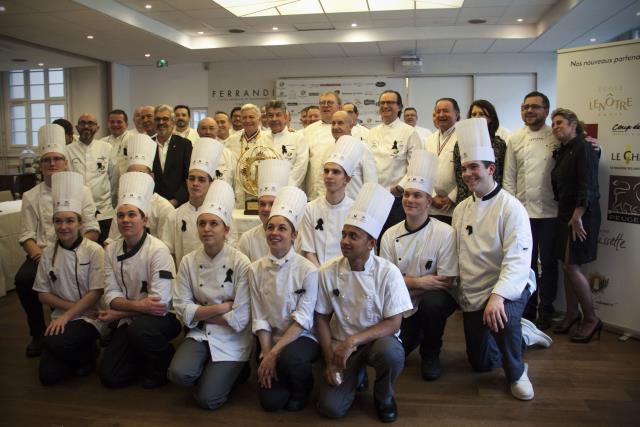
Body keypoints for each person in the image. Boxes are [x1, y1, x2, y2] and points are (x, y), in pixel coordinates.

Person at [452, 118, 552, 401]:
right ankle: (524, 335)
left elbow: (518, 261)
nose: (468, 173)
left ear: (491, 169)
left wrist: (498, 297)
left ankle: (517, 372)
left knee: (503, 319)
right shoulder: (461, 209)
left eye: (474, 167)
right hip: (474, 290)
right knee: (481, 363)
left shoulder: (511, 208)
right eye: (464, 168)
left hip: (509, 285)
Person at [315, 182, 413, 422]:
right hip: (340, 345)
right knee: (330, 409)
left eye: (353, 236)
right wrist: (330, 359)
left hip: (375, 341)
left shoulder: (388, 273)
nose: (345, 241)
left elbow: (394, 323)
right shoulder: (328, 271)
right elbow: (321, 318)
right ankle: (355, 376)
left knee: (391, 353)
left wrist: (354, 341)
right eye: (344, 235)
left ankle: (384, 395)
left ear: (371, 244)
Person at [16, 124, 100, 357]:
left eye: (57, 159)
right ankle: (37, 332)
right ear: (40, 165)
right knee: (24, 280)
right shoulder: (30, 196)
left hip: (77, 249)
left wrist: (81, 249)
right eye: (47, 160)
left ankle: (84, 326)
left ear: (65, 162)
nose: (52, 164)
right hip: (42, 253)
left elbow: (92, 228)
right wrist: (42, 257)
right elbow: (27, 235)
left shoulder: (82, 191)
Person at [168, 180, 252, 410]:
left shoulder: (241, 263)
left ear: (226, 229)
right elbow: (181, 310)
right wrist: (221, 308)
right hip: (201, 333)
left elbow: (241, 319)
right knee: (178, 374)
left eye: (214, 223)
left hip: (232, 339)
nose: (207, 229)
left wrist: (198, 312)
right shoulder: (188, 261)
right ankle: (211, 369)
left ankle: (234, 370)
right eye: (202, 223)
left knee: (208, 400)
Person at [98, 172, 181, 388]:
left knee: (140, 331)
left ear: (144, 220)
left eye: (132, 215)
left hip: (163, 319)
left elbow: (159, 305)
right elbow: (110, 296)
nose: (126, 220)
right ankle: (142, 358)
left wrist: (119, 311)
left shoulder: (158, 251)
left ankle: (163, 363)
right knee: (110, 376)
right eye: (121, 215)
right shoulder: (111, 250)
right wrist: (134, 307)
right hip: (132, 318)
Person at [380, 150, 458, 381]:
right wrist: (421, 282)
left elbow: (446, 281)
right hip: (402, 303)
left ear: (429, 201)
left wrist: (406, 284)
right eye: (407, 195)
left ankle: (430, 354)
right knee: (397, 353)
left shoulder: (445, 233)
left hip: (433, 299)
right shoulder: (389, 235)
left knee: (433, 305)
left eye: (417, 196)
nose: (410, 200)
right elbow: (385, 282)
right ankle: (418, 333)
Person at [249, 186, 319, 412]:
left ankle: (302, 388)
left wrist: (273, 354)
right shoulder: (255, 269)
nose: (274, 233)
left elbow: (302, 320)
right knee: (271, 404)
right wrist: (266, 353)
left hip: (302, 338)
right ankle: (282, 377)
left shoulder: (308, 270)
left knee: (291, 360)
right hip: (269, 339)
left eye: (282, 228)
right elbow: (260, 317)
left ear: (294, 234)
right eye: (270, 227)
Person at [33, 171, 105, 385]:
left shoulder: (94, 250)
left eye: (70, 221)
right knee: (47, 377)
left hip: (90, 317)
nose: (63, 227)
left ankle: (88, 352)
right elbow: (42, 294)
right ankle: (82, 356)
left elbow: (96, 292)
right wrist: (67, 311)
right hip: (63, 315)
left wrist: (71, 314)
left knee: (55, 343)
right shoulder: (48, 252)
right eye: (58, 221)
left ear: (80, 223)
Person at [503, 91, 559, 328]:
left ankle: (547, 309)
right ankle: (528, 307)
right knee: (524, 263)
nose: (529, 111)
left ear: (546, 111)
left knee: (548, 263)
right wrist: (512, 211)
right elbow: (509, 177)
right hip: (524, 213)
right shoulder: (515, 139)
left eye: (535, 107)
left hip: (551, 211)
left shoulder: (556, 136)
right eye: (525, 107)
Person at [549, 108, 602, 342]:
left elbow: (587, 183)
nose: (555, 127)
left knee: (572, 267)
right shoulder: (564, 150)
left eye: (560, 122)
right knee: (566, 265)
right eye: (553, 124)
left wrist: (578, 214)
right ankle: (571, 314)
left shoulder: (583, 147)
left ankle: (591, 318)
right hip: (565, 212)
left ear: (573, 125)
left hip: (581, 214)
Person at [366, 90, 422, 239]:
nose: (385, 106)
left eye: (390, 102)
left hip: (396, 198)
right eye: (382, 103)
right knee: (374, 238)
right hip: (374, 197)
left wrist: (400, 187)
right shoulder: (371, 133)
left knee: (395, 238)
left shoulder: (409, 132)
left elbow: (416, 164)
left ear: (399, 107)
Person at [105, 134, 175, 245]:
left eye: (141, 174)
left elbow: (166, 246)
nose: (137, 178)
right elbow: (112, 240)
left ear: (151, 176)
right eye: (132, 174)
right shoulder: (122, 205)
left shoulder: (164, 207)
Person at [299, 136, 358, 267]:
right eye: (326, 171)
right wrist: (322, 277)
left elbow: (356, 253)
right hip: (316, 274)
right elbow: (309, 251)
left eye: (336, 172)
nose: (329, 176)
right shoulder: (310, 209)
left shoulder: (355, 210)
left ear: (347, 179)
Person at [168, 137, 224, 267]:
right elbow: (168, 254)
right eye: (192, 179)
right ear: (186, 182)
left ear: (211, 183)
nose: (195, 184)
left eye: (201, 180)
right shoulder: (174, 216)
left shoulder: (221, 217)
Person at [66, 113, 119, 244]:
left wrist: (109, 201)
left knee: (105, 249)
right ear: (77, 127)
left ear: (97, 127)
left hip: (104, 212)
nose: (86, 126)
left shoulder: (106, 148)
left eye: (90, 123)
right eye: (82, 123)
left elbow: (114, 179)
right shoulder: (67, 150)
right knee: (82, 250)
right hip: (78, 212)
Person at [452, 100, 507, 206]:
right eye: (473, 114)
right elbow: (459, 176)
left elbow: (500, 174)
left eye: (481, 114)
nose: (476, 117)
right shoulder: (460, 143)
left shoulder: (499, 144)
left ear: (491, 118)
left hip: (493, 198)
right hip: (467, 197)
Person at [236, 159, 290, 262]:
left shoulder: (295, 239)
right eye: (262, 204)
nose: (266, 209)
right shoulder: (247, 239)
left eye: (272, 204)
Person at [226, 103, 272, 209]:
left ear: (259, 118)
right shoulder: (232, 140)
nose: (247, 121)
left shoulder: (269, 138)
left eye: (251, 117)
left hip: (260, 190)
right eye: (244, 117)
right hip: (238, 190)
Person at [424, 98, 460, 225]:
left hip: (454, 206)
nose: (441, 115)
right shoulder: (429, 140)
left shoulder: (463, 137)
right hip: (431, 206)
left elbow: (469, 171)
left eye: (446, 111)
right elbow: (423, 170)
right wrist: (432, 196)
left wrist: (452, 198)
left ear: (456, 114)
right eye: (438, 112)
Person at [152, 104, 193, 207]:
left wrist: (175, 200)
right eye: (157, 119)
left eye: (165, 119)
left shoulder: (184, 145)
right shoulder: (147, 145)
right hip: (152, 205)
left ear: (173, 122)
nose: (161, 122)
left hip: (178, 205)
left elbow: (188, 176)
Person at [330, 113, 377, 200]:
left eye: (340, 123)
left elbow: (371, 183)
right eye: (333, 123)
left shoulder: (362, 147)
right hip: (333, 207)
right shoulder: (329, 149)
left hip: (355, 206)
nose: (335, 127)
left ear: (351, 126)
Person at [305, 92, 342, 200]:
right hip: (313, 194)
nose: (325, 105)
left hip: (340, 195)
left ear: (339, 107)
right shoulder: (308, 131)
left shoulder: (350, 130)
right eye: (322, 103)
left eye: (330, 102)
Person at [265, 99, 309, 188]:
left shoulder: (297, 138)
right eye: (270, 115)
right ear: (267, 118)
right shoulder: (261, 138)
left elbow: (300, 167)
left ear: (285, 117)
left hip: (289, 191)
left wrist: (285, 188)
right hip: (265, 192)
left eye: (278, 115)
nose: (274, 119)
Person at [196, 117, 237, 189]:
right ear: (198, 131)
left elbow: (234, 179)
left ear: (217, 130)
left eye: (211, 128)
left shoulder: (227, 153)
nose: (208, 132)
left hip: (222, 195)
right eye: (203, 128)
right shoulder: (191, 151)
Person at [102, 109, 132, 176]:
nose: (115, 125)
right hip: (107, 183)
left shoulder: (133, 140)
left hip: (127, 181)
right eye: (112, 122)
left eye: (119, 122)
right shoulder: (101, 142)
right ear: (108, 124)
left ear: (126, 124)